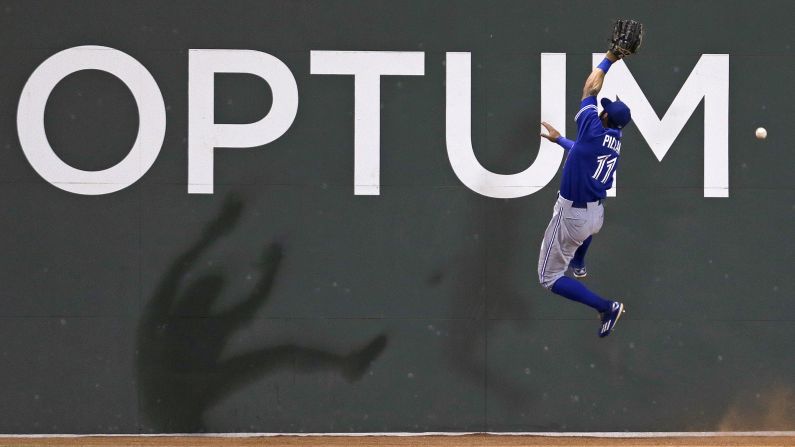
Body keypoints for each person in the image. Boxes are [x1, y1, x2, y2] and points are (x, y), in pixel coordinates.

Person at [537, 42, 637, 338]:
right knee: (584, 235)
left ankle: (606, 307)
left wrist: (611, 57)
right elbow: (581, 151)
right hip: (593, 215)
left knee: (548, 277)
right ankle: (579, 261)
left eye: (604, 111)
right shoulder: (614, 137)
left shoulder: (594, 128)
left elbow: (590, 89)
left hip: (574, 216)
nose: (600, 110)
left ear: (604, 118)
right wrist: (560, 141)